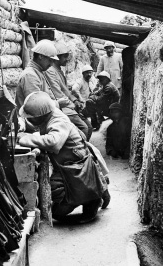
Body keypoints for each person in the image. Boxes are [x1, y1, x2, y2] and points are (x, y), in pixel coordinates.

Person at [18, 92, 107, 223]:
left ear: (42, 115)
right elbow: (35, 123)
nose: (29, 120)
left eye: (32, 118)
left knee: (59, 210)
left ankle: (93, 200)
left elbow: (54, 142)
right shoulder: (49, 110)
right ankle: (95, 194)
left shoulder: (58, 120)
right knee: (58, 205)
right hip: (66, 161)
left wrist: (25, 138)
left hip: (75, 162)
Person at [15, 39, 71, 133]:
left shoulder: (39, 72)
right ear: (40, 56)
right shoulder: (30, 76)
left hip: (40, 123)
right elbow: (35, 109)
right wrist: (57, 103)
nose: (52, 64)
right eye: (50, 60)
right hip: (32, 127)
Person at [44, 42, 92, 140]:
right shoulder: (51, 71)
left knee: (89, 127)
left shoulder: (59, 70)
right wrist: (73, 104)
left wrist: (75, 101)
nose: (67, 60)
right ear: (57, 57)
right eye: (65, 57)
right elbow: (58, 94)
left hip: (68, 107)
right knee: (85, 128)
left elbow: (66, 91)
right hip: (62, 109)